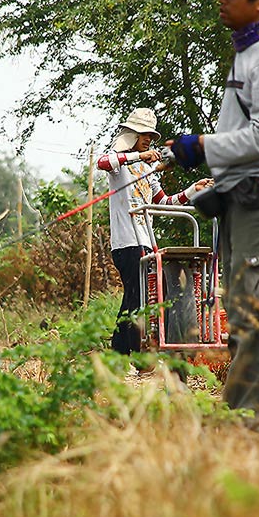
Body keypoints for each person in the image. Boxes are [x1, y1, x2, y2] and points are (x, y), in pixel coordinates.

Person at [167, 0, 259, 420]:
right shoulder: (250, 51)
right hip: (246, 200)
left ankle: (250, 424)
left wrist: (204, 145)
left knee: (251, 312)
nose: (221, 1)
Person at [97, 108, 211, 355]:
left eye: (150, 134)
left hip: (146, 240)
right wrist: (140, 157)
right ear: (132, 135)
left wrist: (192, 190)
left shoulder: (148, 169)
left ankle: (120, 353)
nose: (148, 139)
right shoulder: (121, 163)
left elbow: (164, 201)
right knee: (136, 298)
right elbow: (103, 162)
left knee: (141, 296)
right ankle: (131, 355)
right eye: (143, 134)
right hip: (127, 242)